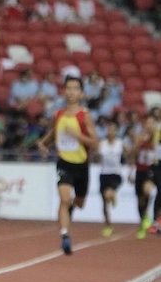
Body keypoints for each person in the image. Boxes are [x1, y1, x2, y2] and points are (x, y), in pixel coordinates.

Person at [37, 77, 99, 254]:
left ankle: (71, 209)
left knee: (79, 203)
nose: (71, 92)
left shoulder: (85, 117)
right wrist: (42, 143)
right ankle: (64, 235)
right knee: (64, 199)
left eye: (75, 89)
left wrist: (77, 136)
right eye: (68, 88)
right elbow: (54, 132)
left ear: (81, 93)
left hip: (81, 165)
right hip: (63, 162)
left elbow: (95, 144)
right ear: (64, 91)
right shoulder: (58, 115)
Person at [128, 114, 158, 239]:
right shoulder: (140, 137)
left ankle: (150, 217)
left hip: (151, 170)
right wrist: (130, 171)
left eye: (152, 123)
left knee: (148, 191)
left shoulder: (157, 137)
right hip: (139, 171)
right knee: (140, 200)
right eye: (148, 123)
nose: (150, 125)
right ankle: (143, 221)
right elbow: (132, 154)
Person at [96, 121, 127, 237]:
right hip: (104, 174)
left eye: (113, 130)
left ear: (116, 132)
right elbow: (96, 156)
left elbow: (130, 153)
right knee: (104, 203)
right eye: (109, 129)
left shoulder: (120, 143)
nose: (111, 132)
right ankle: (108, 224)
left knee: (107, 194)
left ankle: (113, 196)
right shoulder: (102, 144)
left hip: (116, 174)